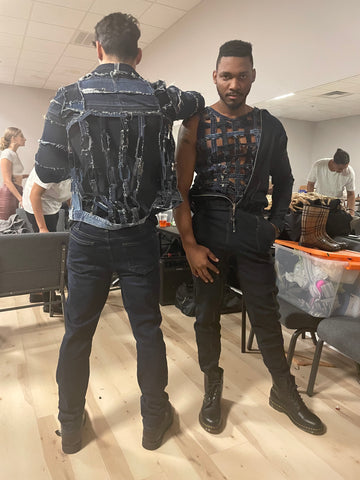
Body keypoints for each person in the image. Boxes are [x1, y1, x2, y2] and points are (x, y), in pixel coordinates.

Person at [35, 12, 204, 454]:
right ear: (139, 53)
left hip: (87, 237)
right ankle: (153, 424)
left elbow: (49, 170)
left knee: (77, 333)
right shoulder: (159, 96)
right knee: (147, 330)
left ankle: (70, 429)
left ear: (97, 48)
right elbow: (197, 99)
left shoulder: (68, 97)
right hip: (139, 237)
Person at [174, 40, 326, 436]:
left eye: (242, 75)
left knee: (265, 314)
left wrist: (275, 225)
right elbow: (180, 187)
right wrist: (189, 244)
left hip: (252, 230)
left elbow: (287, 179)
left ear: (253, 76)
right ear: (215, 77)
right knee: (207, 314)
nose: (234, 83)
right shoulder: (196, 122)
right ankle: (212, 385)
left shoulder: (269, 125)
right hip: (207, 230)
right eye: (226, 75)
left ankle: (283, 390)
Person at [22, 166, 71, 313]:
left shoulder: (73, 164)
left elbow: (66, 190)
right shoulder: (53, 163)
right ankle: (49, 301)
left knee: (48, 253)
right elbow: (34, 195)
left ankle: (38, 293)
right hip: (39, 207)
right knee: (50, 254)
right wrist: (42, 228)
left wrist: (73, 208)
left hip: (51, 204)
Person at [22, 166, 71, 233]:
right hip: (39, 203)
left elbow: (69, 189)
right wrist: (42, 228)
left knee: (52, 230)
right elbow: (34, 195)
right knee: (47, 236)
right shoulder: (51, 167)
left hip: (52, 198)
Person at [306, 148, 356, 215]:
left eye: (345, 168)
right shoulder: (319, 165)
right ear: (333, 162)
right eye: (340, 169)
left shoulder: (349, 172)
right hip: (320, 201)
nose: (342, 171)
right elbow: (310, 184)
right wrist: (311, 202)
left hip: (337, 204)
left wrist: (351, 213)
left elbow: (351, 194)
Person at [0, 127, 28, 220]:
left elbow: (15, 174)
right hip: (9, 194)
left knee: (15, 226)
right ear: (13, 138)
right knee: (6, 227)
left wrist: (28, 176)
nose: (25, 139)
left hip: (17, 191)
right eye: (21, 136)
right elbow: (7, 181)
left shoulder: (13, 154)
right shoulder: (6, 154)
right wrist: (21, 198)